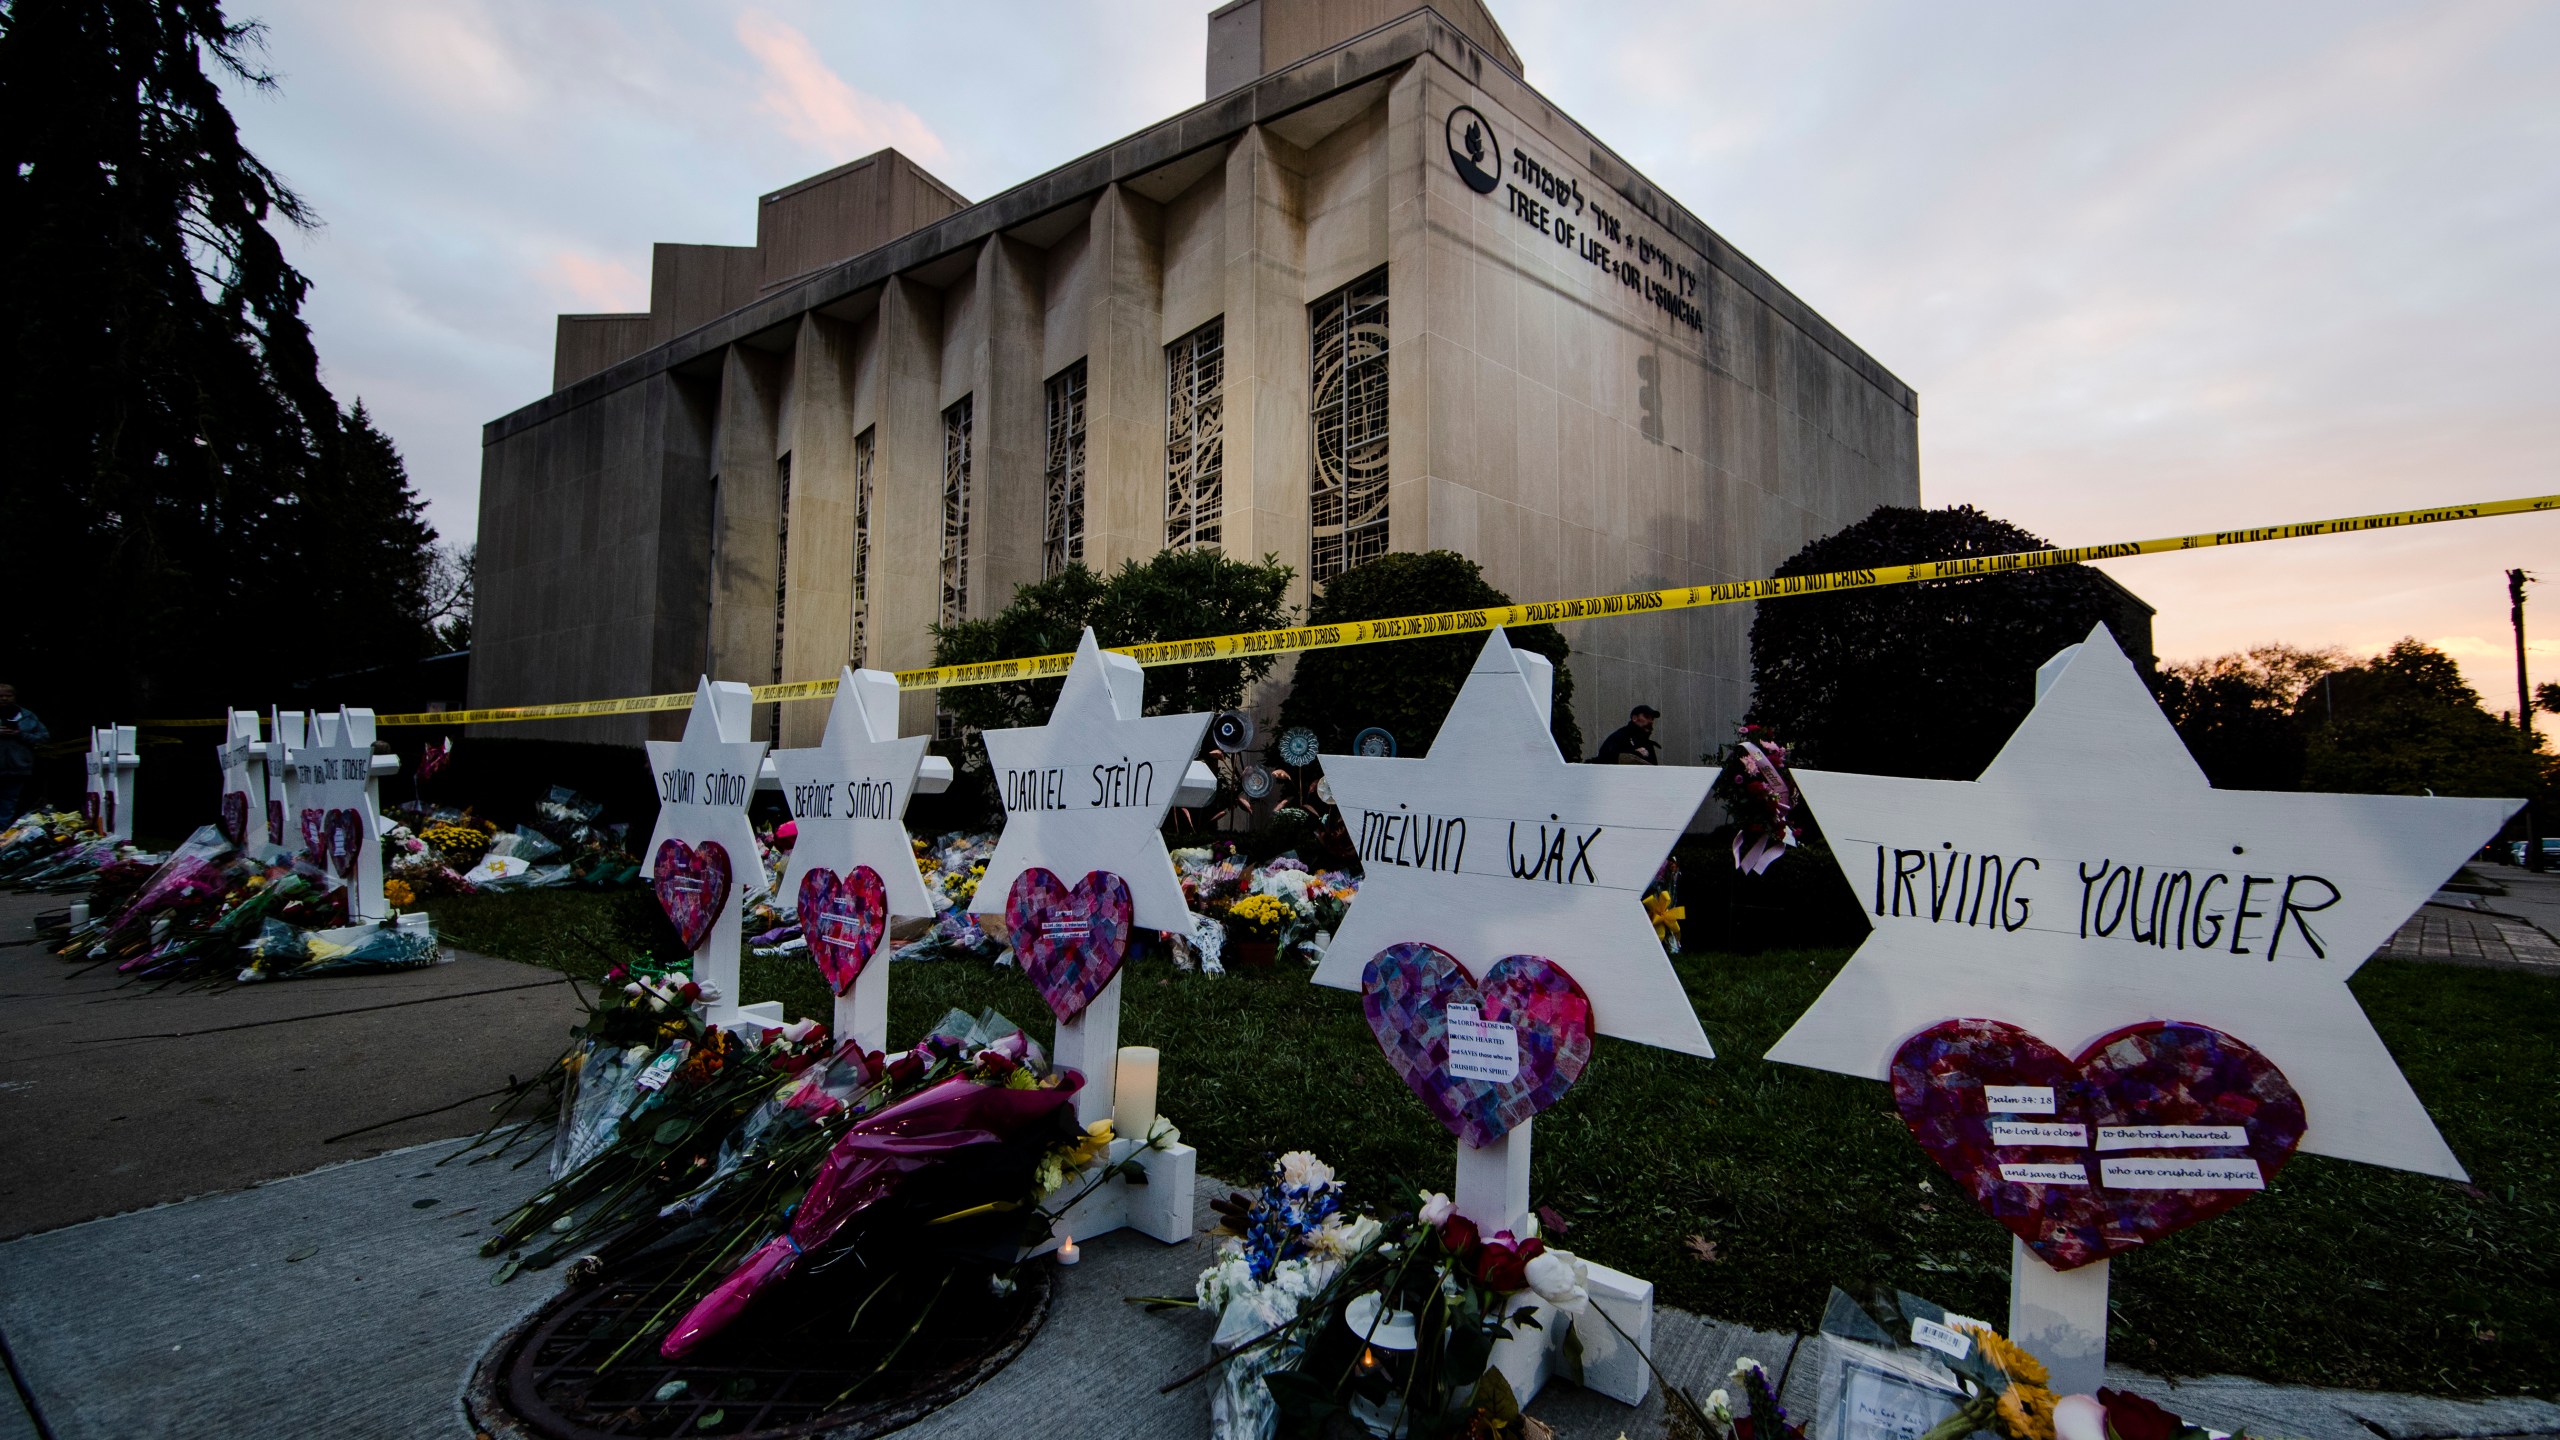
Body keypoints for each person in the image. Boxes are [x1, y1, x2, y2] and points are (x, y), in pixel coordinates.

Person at [0, 683, 49, 820]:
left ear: (14, 697)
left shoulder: (27, 716)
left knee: (9, 802)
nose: (4, 699)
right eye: (1, 696)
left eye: (8, 696)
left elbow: (44, 737)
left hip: (17, 768)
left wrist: (20, 734)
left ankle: (2, 835)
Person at [1594, 704, 1660, 765]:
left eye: (1652, 719)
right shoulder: (1620, 736)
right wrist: (1634, 753)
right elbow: (1605, 757)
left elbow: (1654, 770)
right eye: (1646, 717)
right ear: (1634, 718)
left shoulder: (1647, 743)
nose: (1650, 721)